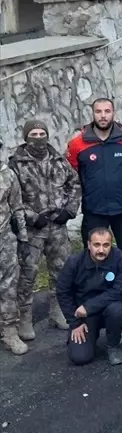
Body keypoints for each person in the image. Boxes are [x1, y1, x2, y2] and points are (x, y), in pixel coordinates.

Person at [9, 120, 80, 334]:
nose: (38, 138)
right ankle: (25, 318)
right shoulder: (16, 164)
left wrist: (69, 210)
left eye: (42, 133)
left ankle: (57, 312)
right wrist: (31, 217)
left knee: (61, 271)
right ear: (25, 137)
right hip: (32, 230)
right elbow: (12, 197)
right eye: (34, 134)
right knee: (27, 274)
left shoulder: (59, 160)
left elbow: (74, 184)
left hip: (57, 227)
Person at [66, 98, 122, 257]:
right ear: (92, 114)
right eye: (98, 111)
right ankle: (98, 282)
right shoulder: (77, 143)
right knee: (94, 256)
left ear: (113, 113)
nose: (103, 116)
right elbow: (71, 174)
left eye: (107, 111)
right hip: (94, 210)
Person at [56, 227, 122, 366]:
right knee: (80, 357)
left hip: (107, 308)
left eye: (106, 245)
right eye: (97, 245)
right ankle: (91, 335)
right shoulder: (74, 262)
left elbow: (121, 290)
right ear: (89, 244)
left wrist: (89, 306)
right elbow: (63, 292)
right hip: (83, 315)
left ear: (111, 244)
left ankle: (113, 345)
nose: (101, 250)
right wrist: (74, 323)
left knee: (117, 309)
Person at [0, 149, 29, 355]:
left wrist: (23, 237)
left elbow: (17, 207)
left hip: (5, 239)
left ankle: (10, 331)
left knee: (9, 284)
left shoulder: (7, 174)